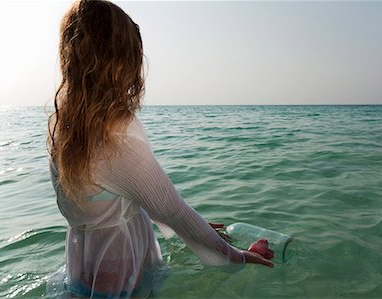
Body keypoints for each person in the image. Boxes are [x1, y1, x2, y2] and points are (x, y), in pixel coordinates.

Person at [47, 0, 273, 298]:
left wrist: (191, 223)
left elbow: (108, 199)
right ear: (122, 62)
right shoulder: (116, 139)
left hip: (84, 261)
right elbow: (173, 210)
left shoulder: (62, 126)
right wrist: (235, 257)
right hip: (123, 267)